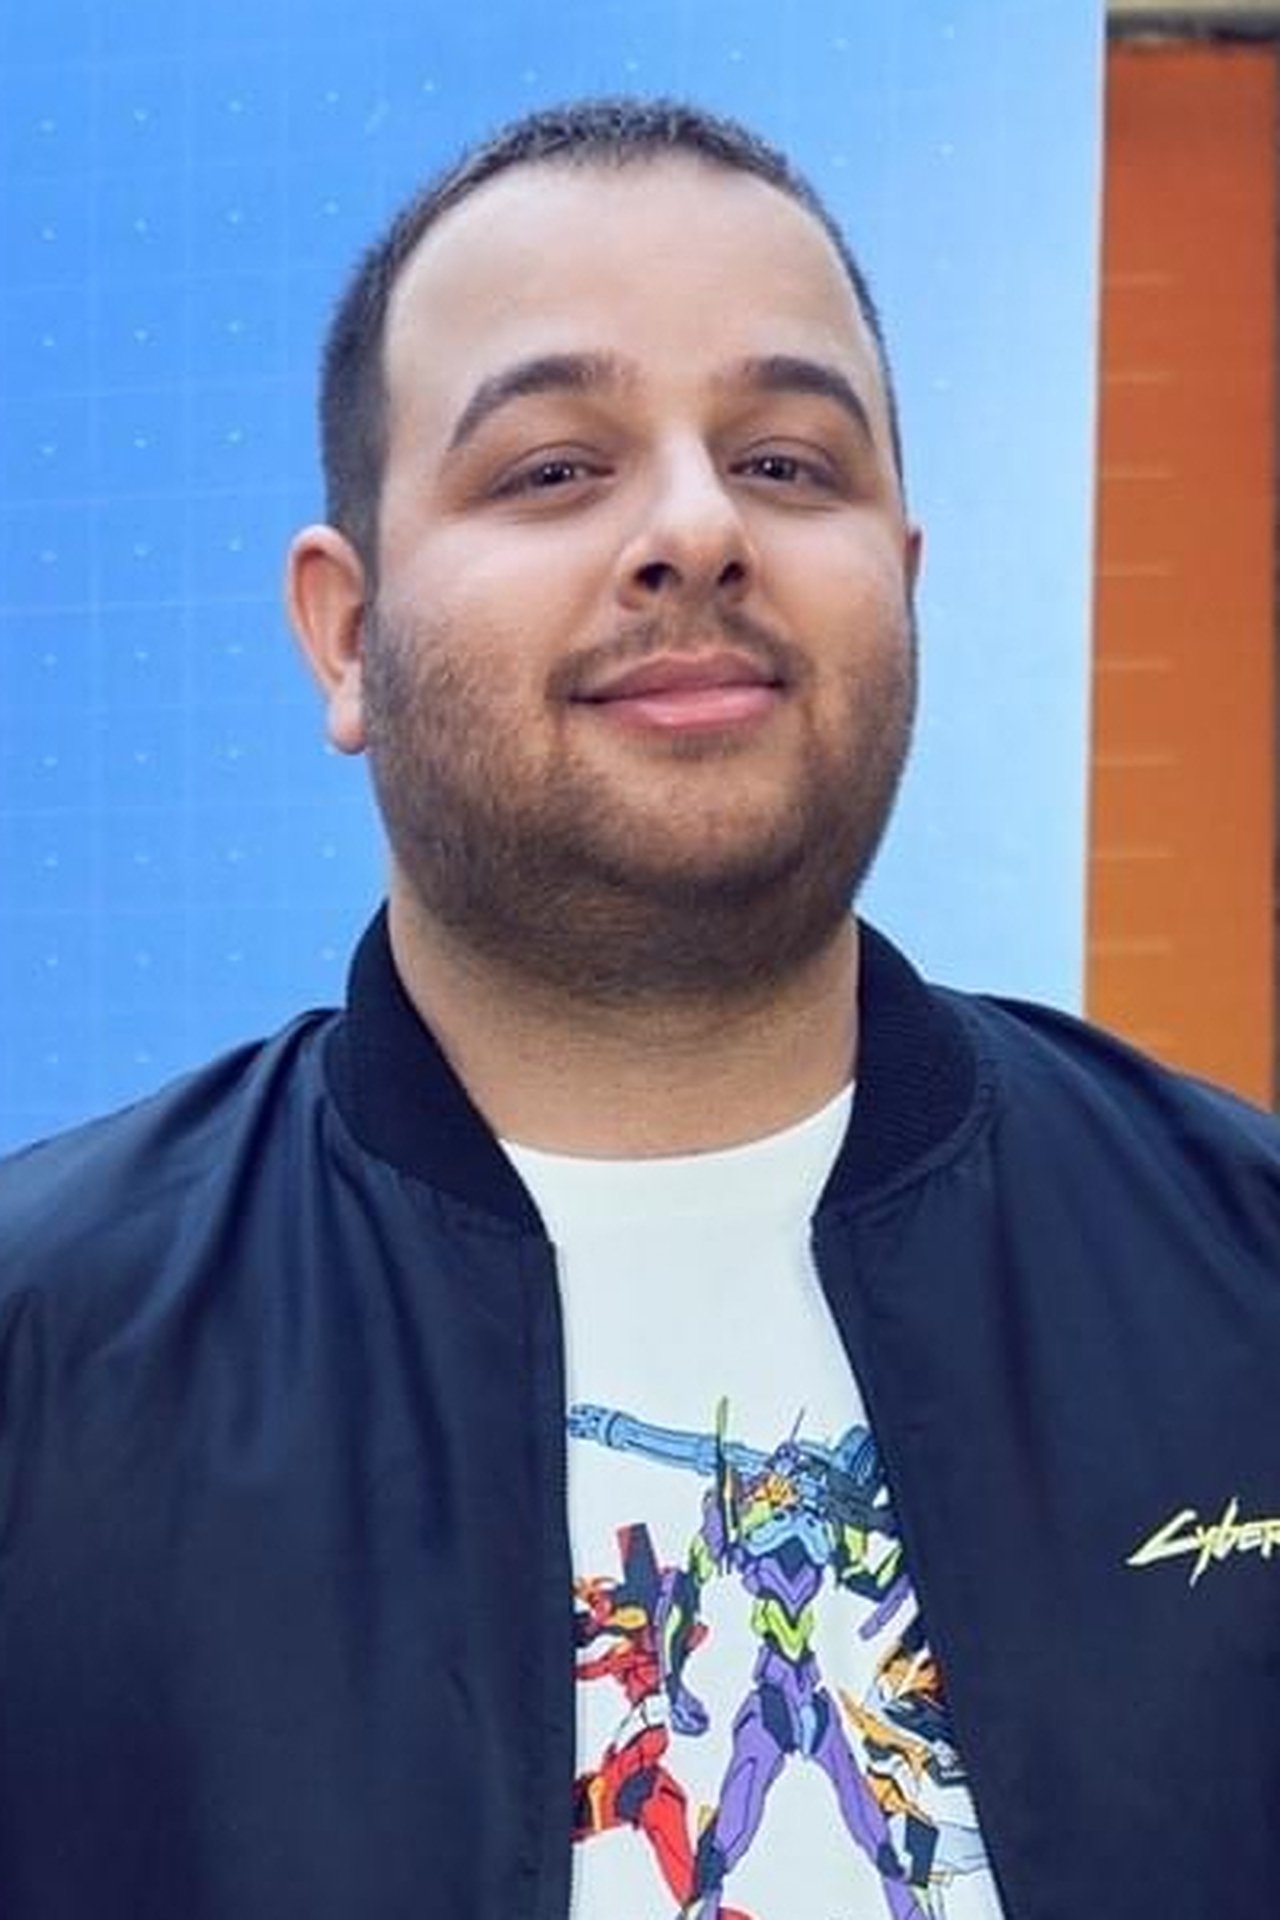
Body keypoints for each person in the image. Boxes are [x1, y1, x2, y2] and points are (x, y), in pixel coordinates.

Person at [0, 96, 1277, 1920]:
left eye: (787, 463)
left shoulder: (1243, 1270)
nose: (695, 526)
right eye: (552, 469)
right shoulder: (47, 1360)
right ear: (346, 634)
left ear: (904, 588)